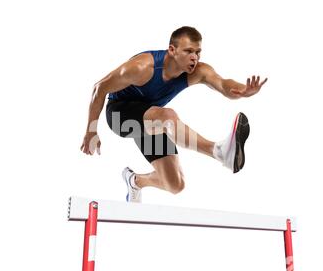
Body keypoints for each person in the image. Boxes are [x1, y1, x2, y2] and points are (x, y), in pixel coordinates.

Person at [80, 26, 267, 203]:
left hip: (153, 120)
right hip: (120, 115)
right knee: (167, 116)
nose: (194, 57)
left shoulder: (199, 71)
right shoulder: (142, 67)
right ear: (172, 50)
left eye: (198, 52)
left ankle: (135, 181)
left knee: (175, 184)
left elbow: (224, 84)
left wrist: (243, 90)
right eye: (188, 51)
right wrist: (91, 131)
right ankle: (218, 152)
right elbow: (99, 88)